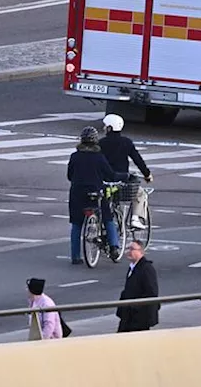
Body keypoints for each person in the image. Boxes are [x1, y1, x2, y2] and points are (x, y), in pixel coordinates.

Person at [67, 126, 121, 264]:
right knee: (107, 218)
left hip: (77, 193)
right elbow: (110, 174)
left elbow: (69, 176)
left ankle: (75, 256)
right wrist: (125, 176)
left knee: (77, 224)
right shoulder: (99, 157)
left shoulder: (75, 156)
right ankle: (114, 246)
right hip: (96, 191)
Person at [100, 114, 153, 230]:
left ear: (109, 128)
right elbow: (138, 160)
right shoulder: (126, 142)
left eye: (105, 126)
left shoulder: (101, 143)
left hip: (104, 180)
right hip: (121, 180)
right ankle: (135, 218)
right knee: (140, 193)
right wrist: (147, 174)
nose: (104, 128)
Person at [114, 240, 159, 332]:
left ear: (140, 251)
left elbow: (152, 292)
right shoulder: (133, 267)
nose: (128, 252)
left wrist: (135, 307)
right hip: (129, 314)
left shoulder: (146, 268)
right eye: (128, 249)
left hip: (139, 316)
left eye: (132, 249)